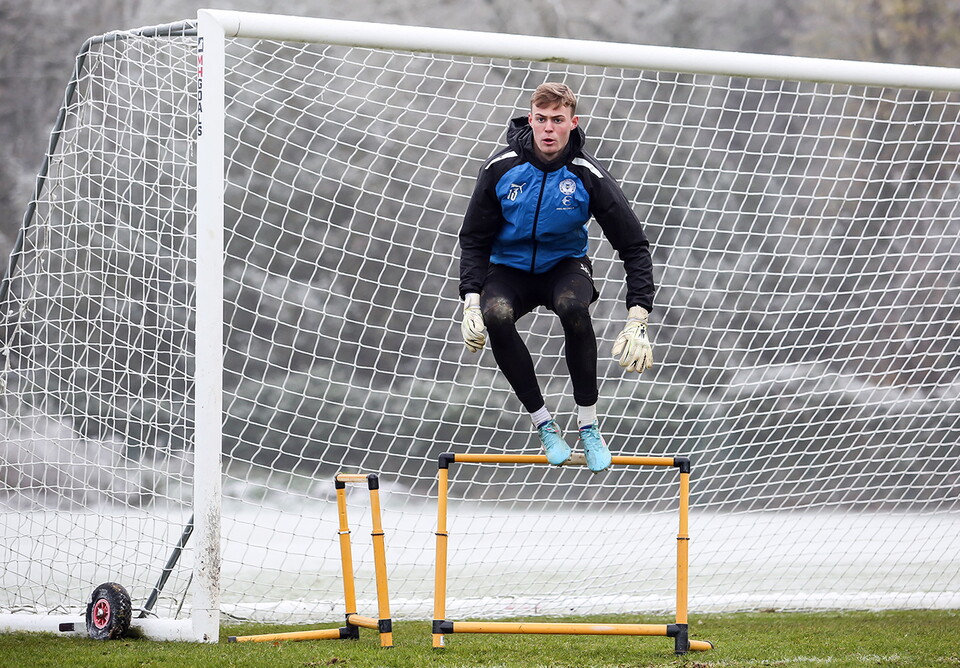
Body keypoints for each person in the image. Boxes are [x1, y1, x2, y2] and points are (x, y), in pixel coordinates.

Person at [457, 82, 655, 473]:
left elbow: (633, 245)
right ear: (530, 120)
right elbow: (474, 239)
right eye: (542, 119)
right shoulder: (501, 168)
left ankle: (588, 424)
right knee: (497, 316)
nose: (548, 128)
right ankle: (544, 424)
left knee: (572, 307)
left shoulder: (588, 174)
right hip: (508, 268)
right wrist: (470, 300)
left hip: (564, 266)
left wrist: (638, 317)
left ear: (572, 123)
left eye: (558, 120)